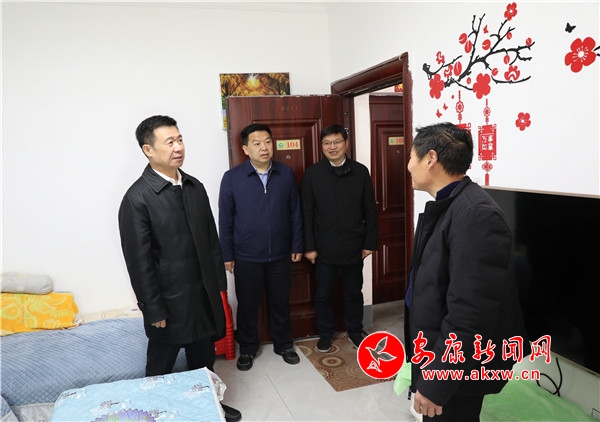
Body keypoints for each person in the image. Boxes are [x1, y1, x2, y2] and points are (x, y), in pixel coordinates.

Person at [118, 115, 241, 422]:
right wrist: (153, 309)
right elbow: (139, 263)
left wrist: (219, 288)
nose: (178, 147)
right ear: (148, 150)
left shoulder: (194, 187)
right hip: (169, 302)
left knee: (204, 359)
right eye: (169, 142)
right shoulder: (137, 199)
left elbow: (211, 241)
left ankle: (209, 406)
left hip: (202, 295)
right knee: (160, 367)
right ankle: (150, 413)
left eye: (180, 139)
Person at [404, 122, 530, 421]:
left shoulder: (476, 215)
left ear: (430, 159)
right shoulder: (450, 205)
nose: (408, 166)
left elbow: (471, 313)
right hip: (438, 354)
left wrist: (437, 381)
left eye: (411, 157)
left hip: (456, 370)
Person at [218, 123, 303, 371]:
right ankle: (247, 348)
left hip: (280, 254)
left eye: (267, 141)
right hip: (246, 256)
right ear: (246, 149)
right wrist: (227, 254)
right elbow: (225, 219)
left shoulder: (285, 174)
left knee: (280, 302)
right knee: (247, 305)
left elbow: (295, 212)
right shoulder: (232, 178)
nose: (264, 147)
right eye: (257, 143)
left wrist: (297, 244)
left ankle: (284, 344)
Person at [301, 124, 378, 353]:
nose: (332, 147)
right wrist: (309, 247)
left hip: (354, 245)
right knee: (323, 294)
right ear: (322, 146)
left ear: (346, 143)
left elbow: (370, 210)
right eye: (327, 143)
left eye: (336, 142)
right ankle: (325, 334)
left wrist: (369, 243)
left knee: (354, 292)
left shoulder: (360, 172)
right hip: (323, 247)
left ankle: (355, 330)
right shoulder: (312, 174)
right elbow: (306, 213)